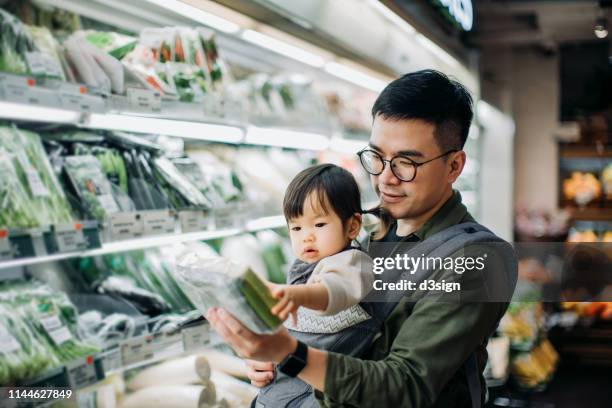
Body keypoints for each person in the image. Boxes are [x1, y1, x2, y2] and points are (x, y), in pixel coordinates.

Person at [206, 69, 517, 408]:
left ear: (454, 166)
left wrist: (291, 355)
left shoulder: (479, 260)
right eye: (377, 157)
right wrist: (273, 360)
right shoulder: (363, 227)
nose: (385, 178)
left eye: (406, 163)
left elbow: (406, 385)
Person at [255, 163, 378, 407]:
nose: (306, 236)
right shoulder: (302, 267)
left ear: (352, 226)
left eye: (319, 225)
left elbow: (332, 291)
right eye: (296, 227)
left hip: (317, 394)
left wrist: (295, 295)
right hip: (286, 385)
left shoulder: (353, 262)